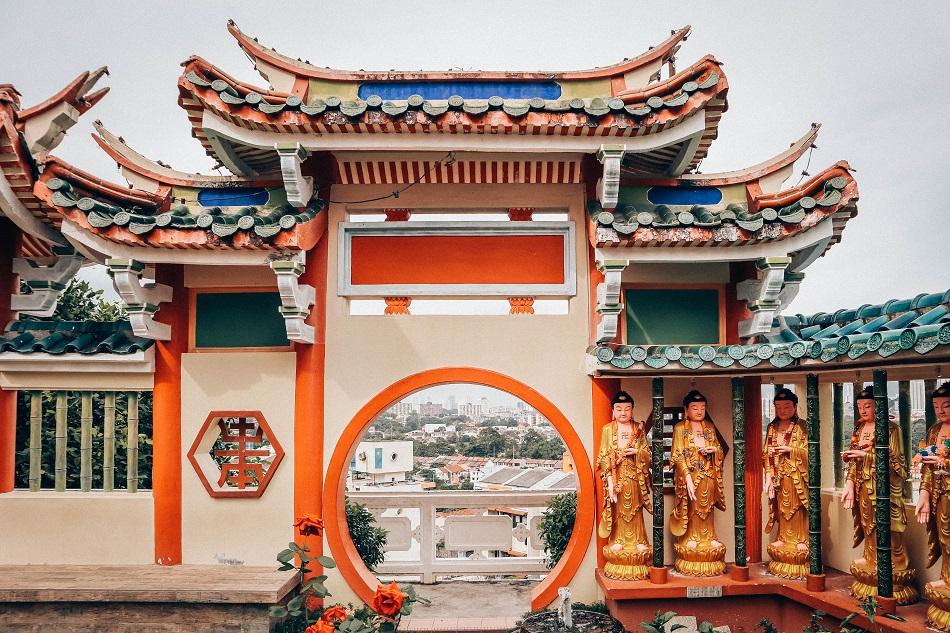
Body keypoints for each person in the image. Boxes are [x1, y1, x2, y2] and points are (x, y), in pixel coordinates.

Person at [841, 386, 917, 604]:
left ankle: (894, 565)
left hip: (884, 489)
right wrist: (848, 484)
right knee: (869, 525)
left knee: (887, 526)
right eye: (859, 407)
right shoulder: (859, 429)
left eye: (868, 406)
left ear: (879, 407)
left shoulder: (891, 429)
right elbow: (855, 461)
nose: (863, 411)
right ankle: (871, 559)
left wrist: (866, 455)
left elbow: (897, 463)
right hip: (864, 486)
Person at [670, 390, 726, 576]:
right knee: (692, 508)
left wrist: (714, 450)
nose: (699, 411)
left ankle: (708, 537)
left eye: (702, 407)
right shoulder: (679, 428)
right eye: (695, 407)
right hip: (690, 476)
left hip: (708, 474)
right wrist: (686, 477)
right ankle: (691, 537)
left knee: (707, 508)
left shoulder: (709, 427)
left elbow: (719, 449)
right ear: (686, 410)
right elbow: (677, 455)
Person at [597, 390, 652, 580]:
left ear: (632, 411)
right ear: (613, 411)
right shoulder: (607, 430)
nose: (623, 413)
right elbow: (603, 456)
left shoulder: (638, 428)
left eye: (627, 409)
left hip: (634, 476)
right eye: (619, 409)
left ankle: (638, 540)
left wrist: (636, 451)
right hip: (617, 476)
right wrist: (610, 481)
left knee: (635, 508)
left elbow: (647, 455)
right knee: (619, 509)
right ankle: (618, 540)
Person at [763, 388, 809, 578]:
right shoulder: (772, 428)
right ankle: (782, 537)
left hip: (796, 475)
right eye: (778, 407)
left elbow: (810, 453)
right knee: (781, 507)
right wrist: (767, 475)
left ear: (795, 406)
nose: (782, 410)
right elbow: (766, 453)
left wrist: (790, 450)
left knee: (796, 507)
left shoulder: (803, 427)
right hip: (777, 475)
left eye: (786, 406)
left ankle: (801, 539)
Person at [915, 382, 950, 630]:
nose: (941, 411)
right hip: (939, 493)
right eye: (937, 406)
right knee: (944, 536)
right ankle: (946, 578)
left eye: (946, 406)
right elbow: (928, 467)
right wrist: (925, 494)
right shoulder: (934, 430)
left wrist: (944, 462)